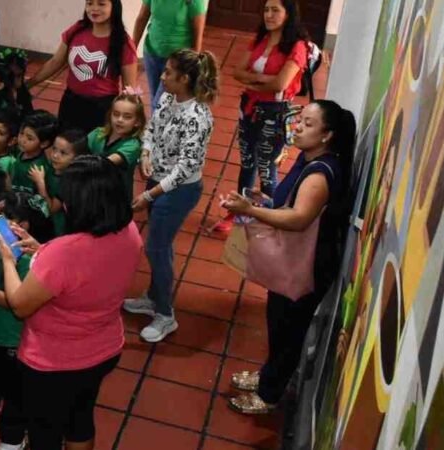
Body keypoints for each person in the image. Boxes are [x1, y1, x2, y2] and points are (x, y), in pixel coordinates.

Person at [0, 155, 142, 450]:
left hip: (54, 362)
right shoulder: (130, 233)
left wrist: (9, 261)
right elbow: (84, 275)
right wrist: (42, 250)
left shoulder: (64, 254)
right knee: (79, 419)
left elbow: (20, 304)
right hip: (103, 348)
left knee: (45, 432)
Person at [221, 100, 356, 414]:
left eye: (308, 124)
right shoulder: (308, 159)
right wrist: (261, 199)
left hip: (305, 267)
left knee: (288, 332)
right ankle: (269, 375)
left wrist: (250, 211)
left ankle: (269, 395)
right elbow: (286, 203)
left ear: (327, 135)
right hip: (293, 263)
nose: (297, 127)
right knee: (278, 324)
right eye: (300, 120)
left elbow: (299, 218)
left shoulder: (320, 173)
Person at [125, 49, 218, 343]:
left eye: (168, 73)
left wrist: (149, 195)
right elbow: (152, 128)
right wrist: (146, 152)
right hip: (158, 181)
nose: (162, 76)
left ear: (185, 78)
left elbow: (185, 168)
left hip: (178, 190)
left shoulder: (198, 117)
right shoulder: (168, 97)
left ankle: (166, 315)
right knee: (160, 246)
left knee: (156, 249)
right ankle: (153, 297)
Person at [0, 192, 55, 450]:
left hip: (12, 340)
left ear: (25, 225)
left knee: (13, 397)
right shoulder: (3, 245)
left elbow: (16, 301)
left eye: (7, 217)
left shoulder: (29, 259)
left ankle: (10, 442)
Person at [233, 0, 309, 197]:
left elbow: (280, 85)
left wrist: (254, 80)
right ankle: (240, 212)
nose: (269, 15)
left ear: (288, 14)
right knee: (247, 163)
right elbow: (237, 71)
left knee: (267, 169)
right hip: (249, 107)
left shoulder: (298, 46)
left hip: (274, 114)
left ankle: (268, 217)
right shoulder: (261, 38)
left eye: (275, 10)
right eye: (266, 10)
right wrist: (264, 80)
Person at [26, 0, 138, 133]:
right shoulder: (77, 29)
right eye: (89, 3)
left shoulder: (123, 42)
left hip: (101, 108)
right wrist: (28, 84)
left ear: (114, 7)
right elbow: (55, 62)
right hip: (71, 101)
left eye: (101, 4)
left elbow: (129, 89)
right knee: (64, 146)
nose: (94, 9)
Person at [132, 0, 208, 110]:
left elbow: (198, 34)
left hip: (177, 62)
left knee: (160, 103)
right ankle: (158, 125)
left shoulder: (194, 2)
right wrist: (131, 50)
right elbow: (141, 18)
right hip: (151, 53)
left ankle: (157, 125)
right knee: (155, 97)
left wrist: (192, 65)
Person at [87, 91, 146, 202]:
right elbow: (77, 149)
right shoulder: (98, 133)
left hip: (116, 198)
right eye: (116, 114)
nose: (120, 120)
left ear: (137, 122)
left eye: (127, 117)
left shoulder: (133, 144)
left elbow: (105, 163)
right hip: (93, 191)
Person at [31, 128, 90, 236]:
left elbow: (51, 209)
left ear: (77, 158)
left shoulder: (68, 180)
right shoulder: (50, 169)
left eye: (63, 153)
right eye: (54, 149)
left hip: (58, 230)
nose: (55, 155)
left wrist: (40, 183)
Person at [10, 110, 59, 195]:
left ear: (44, 143)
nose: (22, 140)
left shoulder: (36, 169)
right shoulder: (22, 151)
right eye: (21, 133)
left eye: (29, 138)